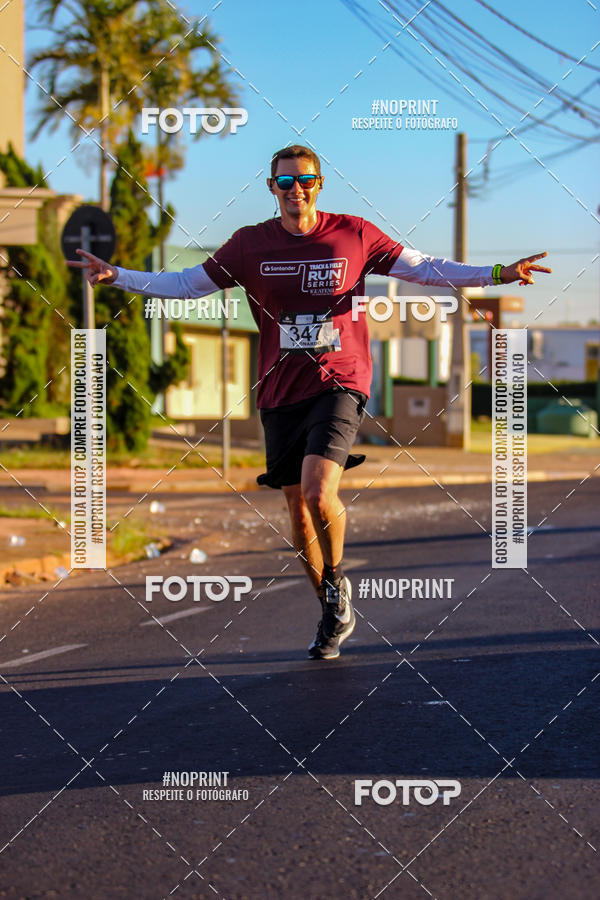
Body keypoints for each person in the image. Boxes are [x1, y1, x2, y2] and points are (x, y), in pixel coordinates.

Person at [68, 144, 551, 660]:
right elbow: (187, 285)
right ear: (271, 188)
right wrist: (119, 276)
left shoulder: (354, 234)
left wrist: (498, 273)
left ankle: (337, 580)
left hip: (340, 381)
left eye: (305, 180)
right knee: (298, 514)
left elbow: (426, 269)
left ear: (320, 184)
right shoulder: (250, 245)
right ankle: (330, 604)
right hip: (279, 391)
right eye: (284, 182)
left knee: (321, 494)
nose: (295, 189)